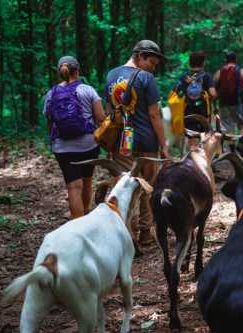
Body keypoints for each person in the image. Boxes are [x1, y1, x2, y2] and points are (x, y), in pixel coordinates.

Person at [105, 40, 169, 248]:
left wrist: (109, 145)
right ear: (139, 55)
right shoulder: (146, 78)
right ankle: (145, 233)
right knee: (148, 187)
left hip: (122, 141)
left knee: (126, 186)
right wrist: (164, 144)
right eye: (151, 61)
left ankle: (128, 235)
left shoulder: (111, 75)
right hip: (146, 140)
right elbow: (154, 114)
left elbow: (109, 112)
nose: (153, 66)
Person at [44, 56, 106, 219]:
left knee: (73, 187)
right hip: (88, 144)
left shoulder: (51, 93)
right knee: (86, 181)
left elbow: (49, 122)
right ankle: (85, 215)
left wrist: (53, 141)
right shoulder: (88, 90)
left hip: (62, 147)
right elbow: (101, 118)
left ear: (60, 73)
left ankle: (77, 224)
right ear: (77, 70)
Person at [214, 52, 243, 158]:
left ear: (226, 60)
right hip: (238, 103)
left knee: (228, 126)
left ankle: (232, 150)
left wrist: (214, 104)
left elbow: (213, 90)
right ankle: (240, 142)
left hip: (223, 104)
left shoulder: (219, 73)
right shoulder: (242, 72)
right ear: (236, 60)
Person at [173, 52, 217, 147]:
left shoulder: (183, 77)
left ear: (189, 62)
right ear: (203, 63)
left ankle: (193, 158)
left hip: (187, 112)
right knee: (205, 137)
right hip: (203, 113)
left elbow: (175, 92)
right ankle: (204, 158)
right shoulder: (206, 76)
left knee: (192, 138)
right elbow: (213, 94)